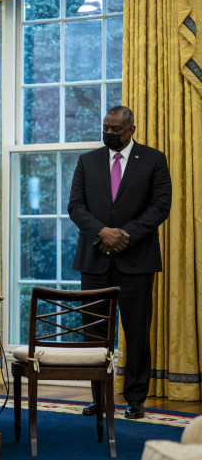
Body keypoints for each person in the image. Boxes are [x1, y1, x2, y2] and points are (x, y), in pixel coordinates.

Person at [68, 105, 172, 420]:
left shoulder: (153, 159)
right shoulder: (87, 161)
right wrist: (101, 232)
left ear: (131, 129)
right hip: (94, 260)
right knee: (94, 334)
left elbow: (160, 206)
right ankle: (99, 399)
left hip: (136, 261)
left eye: (115, 129)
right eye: (106, 127)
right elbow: (76, 206)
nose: (109, 133)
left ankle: (136, 399)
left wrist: (124, 235)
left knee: (137, 331)